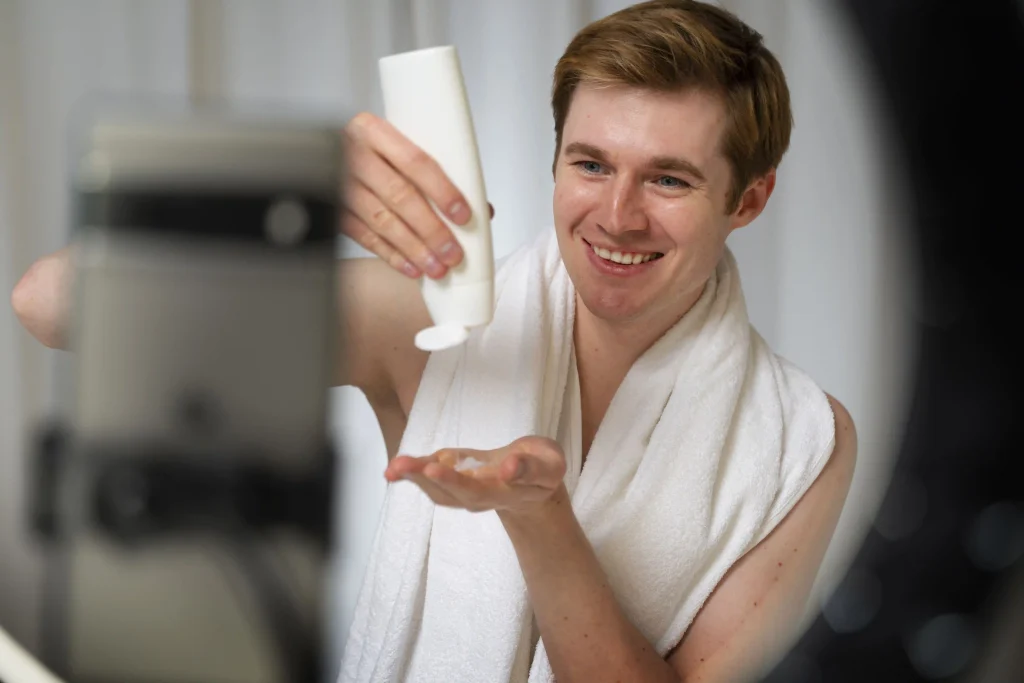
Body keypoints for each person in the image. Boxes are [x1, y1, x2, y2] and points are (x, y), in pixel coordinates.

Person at [11, 1, 856, 681]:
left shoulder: (802, 441)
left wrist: (542, 520)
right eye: (591, 164)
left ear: (748, 199)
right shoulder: (432, 326)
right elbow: (47, 303)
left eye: (669, 178)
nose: (617, 214)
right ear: (554, 159)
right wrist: (288, 198)